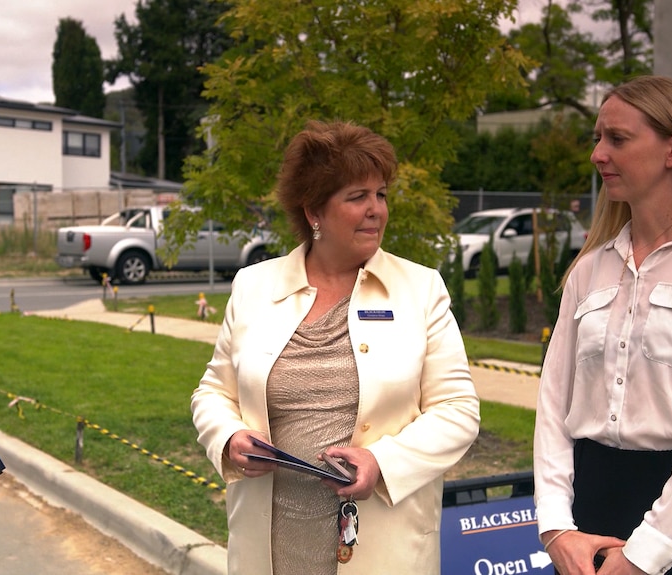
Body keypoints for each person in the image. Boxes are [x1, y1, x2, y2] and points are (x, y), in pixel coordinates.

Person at [190, 120, 480, 574]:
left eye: (381, 194)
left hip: (384, 548)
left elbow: (458, 410)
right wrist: (228, 439)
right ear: (313, 212)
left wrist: (382, 462)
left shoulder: (421, 290)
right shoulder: (254, 286)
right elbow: (213, 392)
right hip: (269, 548)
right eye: (357, 197)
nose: (376, 210)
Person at [534, 75, 672, 575]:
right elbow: (553, 402)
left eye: (617, 139)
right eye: (598, 138)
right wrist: (557, 527)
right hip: (588, 527)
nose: (598, 154)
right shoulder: (590, 269)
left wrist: (647, 552)